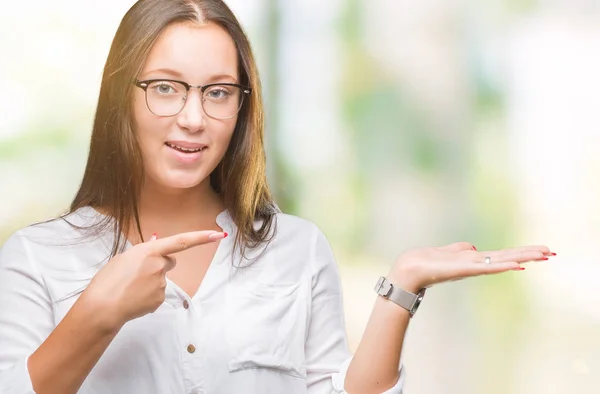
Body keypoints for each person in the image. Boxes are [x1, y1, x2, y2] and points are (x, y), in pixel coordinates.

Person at [0, 1, 555, 393]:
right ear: (122, 96)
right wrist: (96, 313)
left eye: (218, 93)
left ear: (242, 108)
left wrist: (401, 289)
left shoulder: (297, 248)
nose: (193, 119)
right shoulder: (37, 258)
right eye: (165, 87)